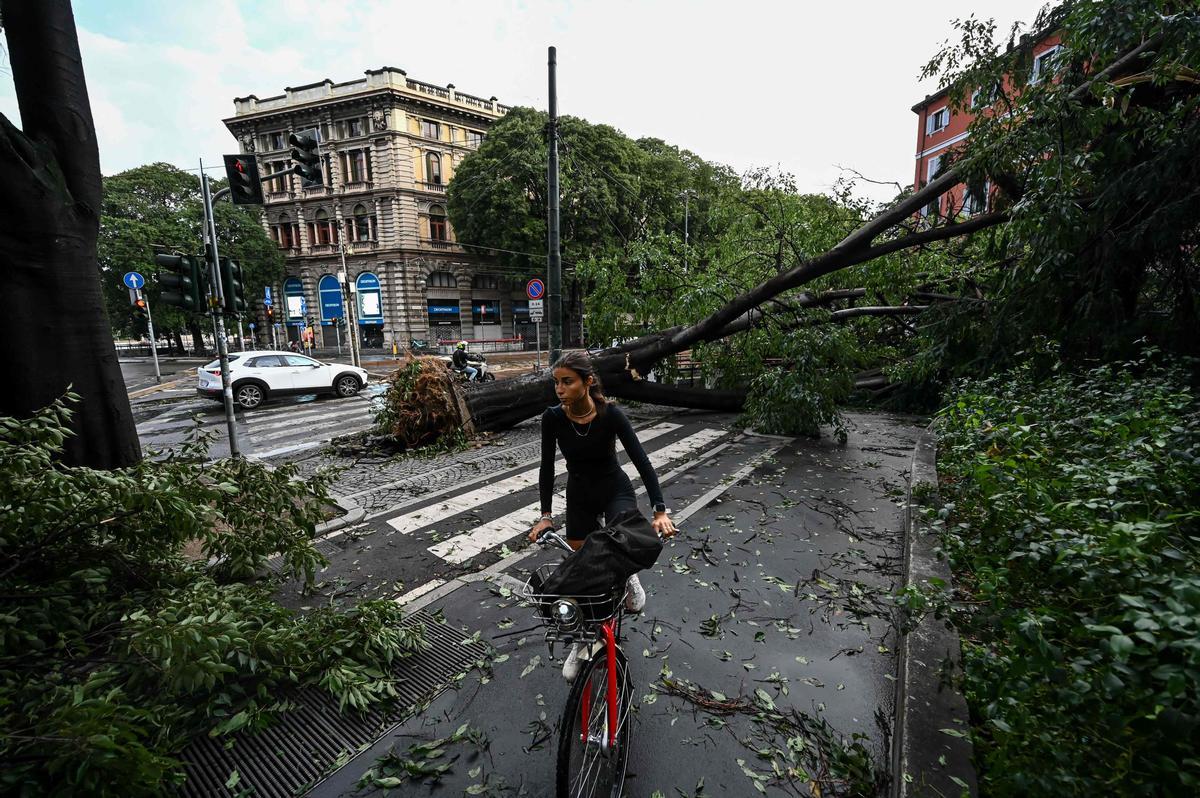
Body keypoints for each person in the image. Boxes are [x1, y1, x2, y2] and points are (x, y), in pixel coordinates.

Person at [526, 351, 677, 680]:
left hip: (614, 490)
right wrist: (545, 515)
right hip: (579, 495)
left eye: (568, 382)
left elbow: (641, 461)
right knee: (585, 575)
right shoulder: (553, 418)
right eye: (556, 383)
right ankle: (584, 643)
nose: (560, 389)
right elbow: (547, 468)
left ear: (587, 382)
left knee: (621, 540)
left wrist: (659, 510)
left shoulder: (611, 415)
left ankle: (630, 577)